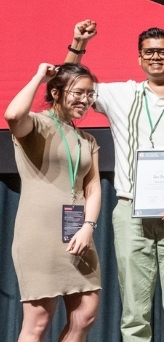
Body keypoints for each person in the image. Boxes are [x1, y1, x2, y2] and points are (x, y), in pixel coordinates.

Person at [65, 20, 164, 341]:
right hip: (130, 211)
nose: (155, 58)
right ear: (139, 58)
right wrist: (78, 45)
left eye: (163, 52)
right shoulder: (120, 94)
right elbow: (69, 82)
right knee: (134, 311)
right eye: (148, 53)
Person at [5, 62, 102, 341]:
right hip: (39, 233)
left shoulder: (87, 140)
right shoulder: (36, 124)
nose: (85, 100)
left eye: (90, 94)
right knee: (38, 321)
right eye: (79, 92)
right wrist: (38, 76)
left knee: (86, 313)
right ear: (57, 93)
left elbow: (93, 188)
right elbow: (12, 114)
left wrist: (88, 226)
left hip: (77, 232)